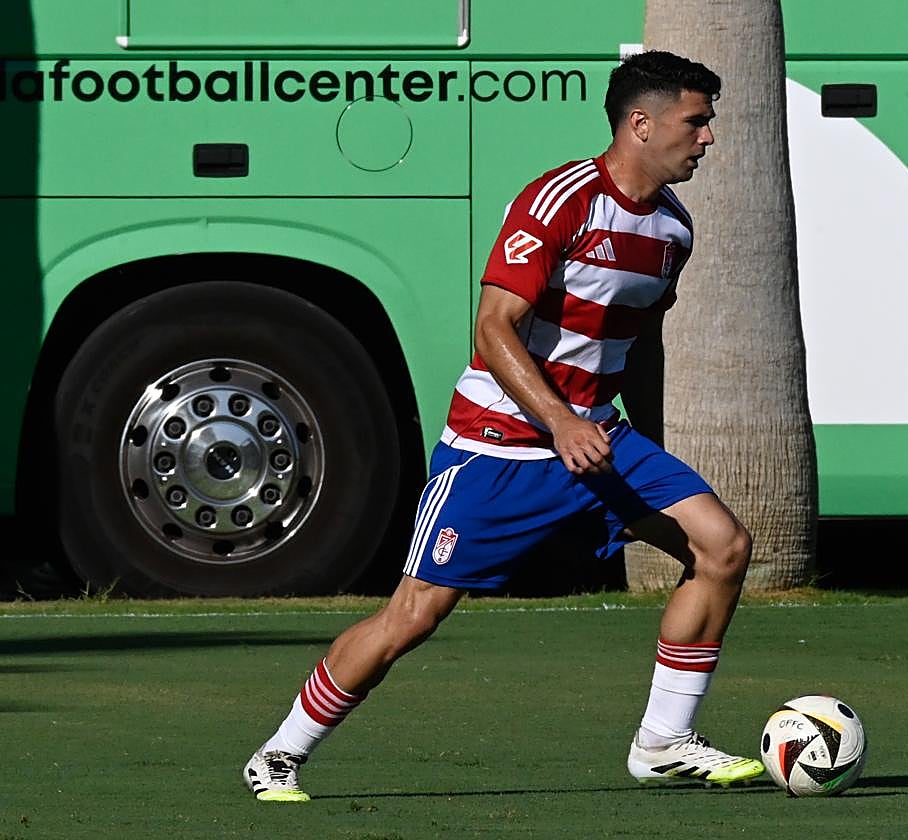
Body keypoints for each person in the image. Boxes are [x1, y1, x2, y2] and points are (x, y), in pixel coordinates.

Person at [242, 49, 764, 802]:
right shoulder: (559, 201)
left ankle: (663, 741)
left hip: (601, 444)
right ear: (641, 124)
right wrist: (557, 422)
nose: (708, 137)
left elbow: (641, 343)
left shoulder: (674, 230)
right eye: (697, 121)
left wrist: (647, 441)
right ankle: (280, 754)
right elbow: (493, 327)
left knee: (723, 547)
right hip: (496, 450)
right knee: (412, 616)